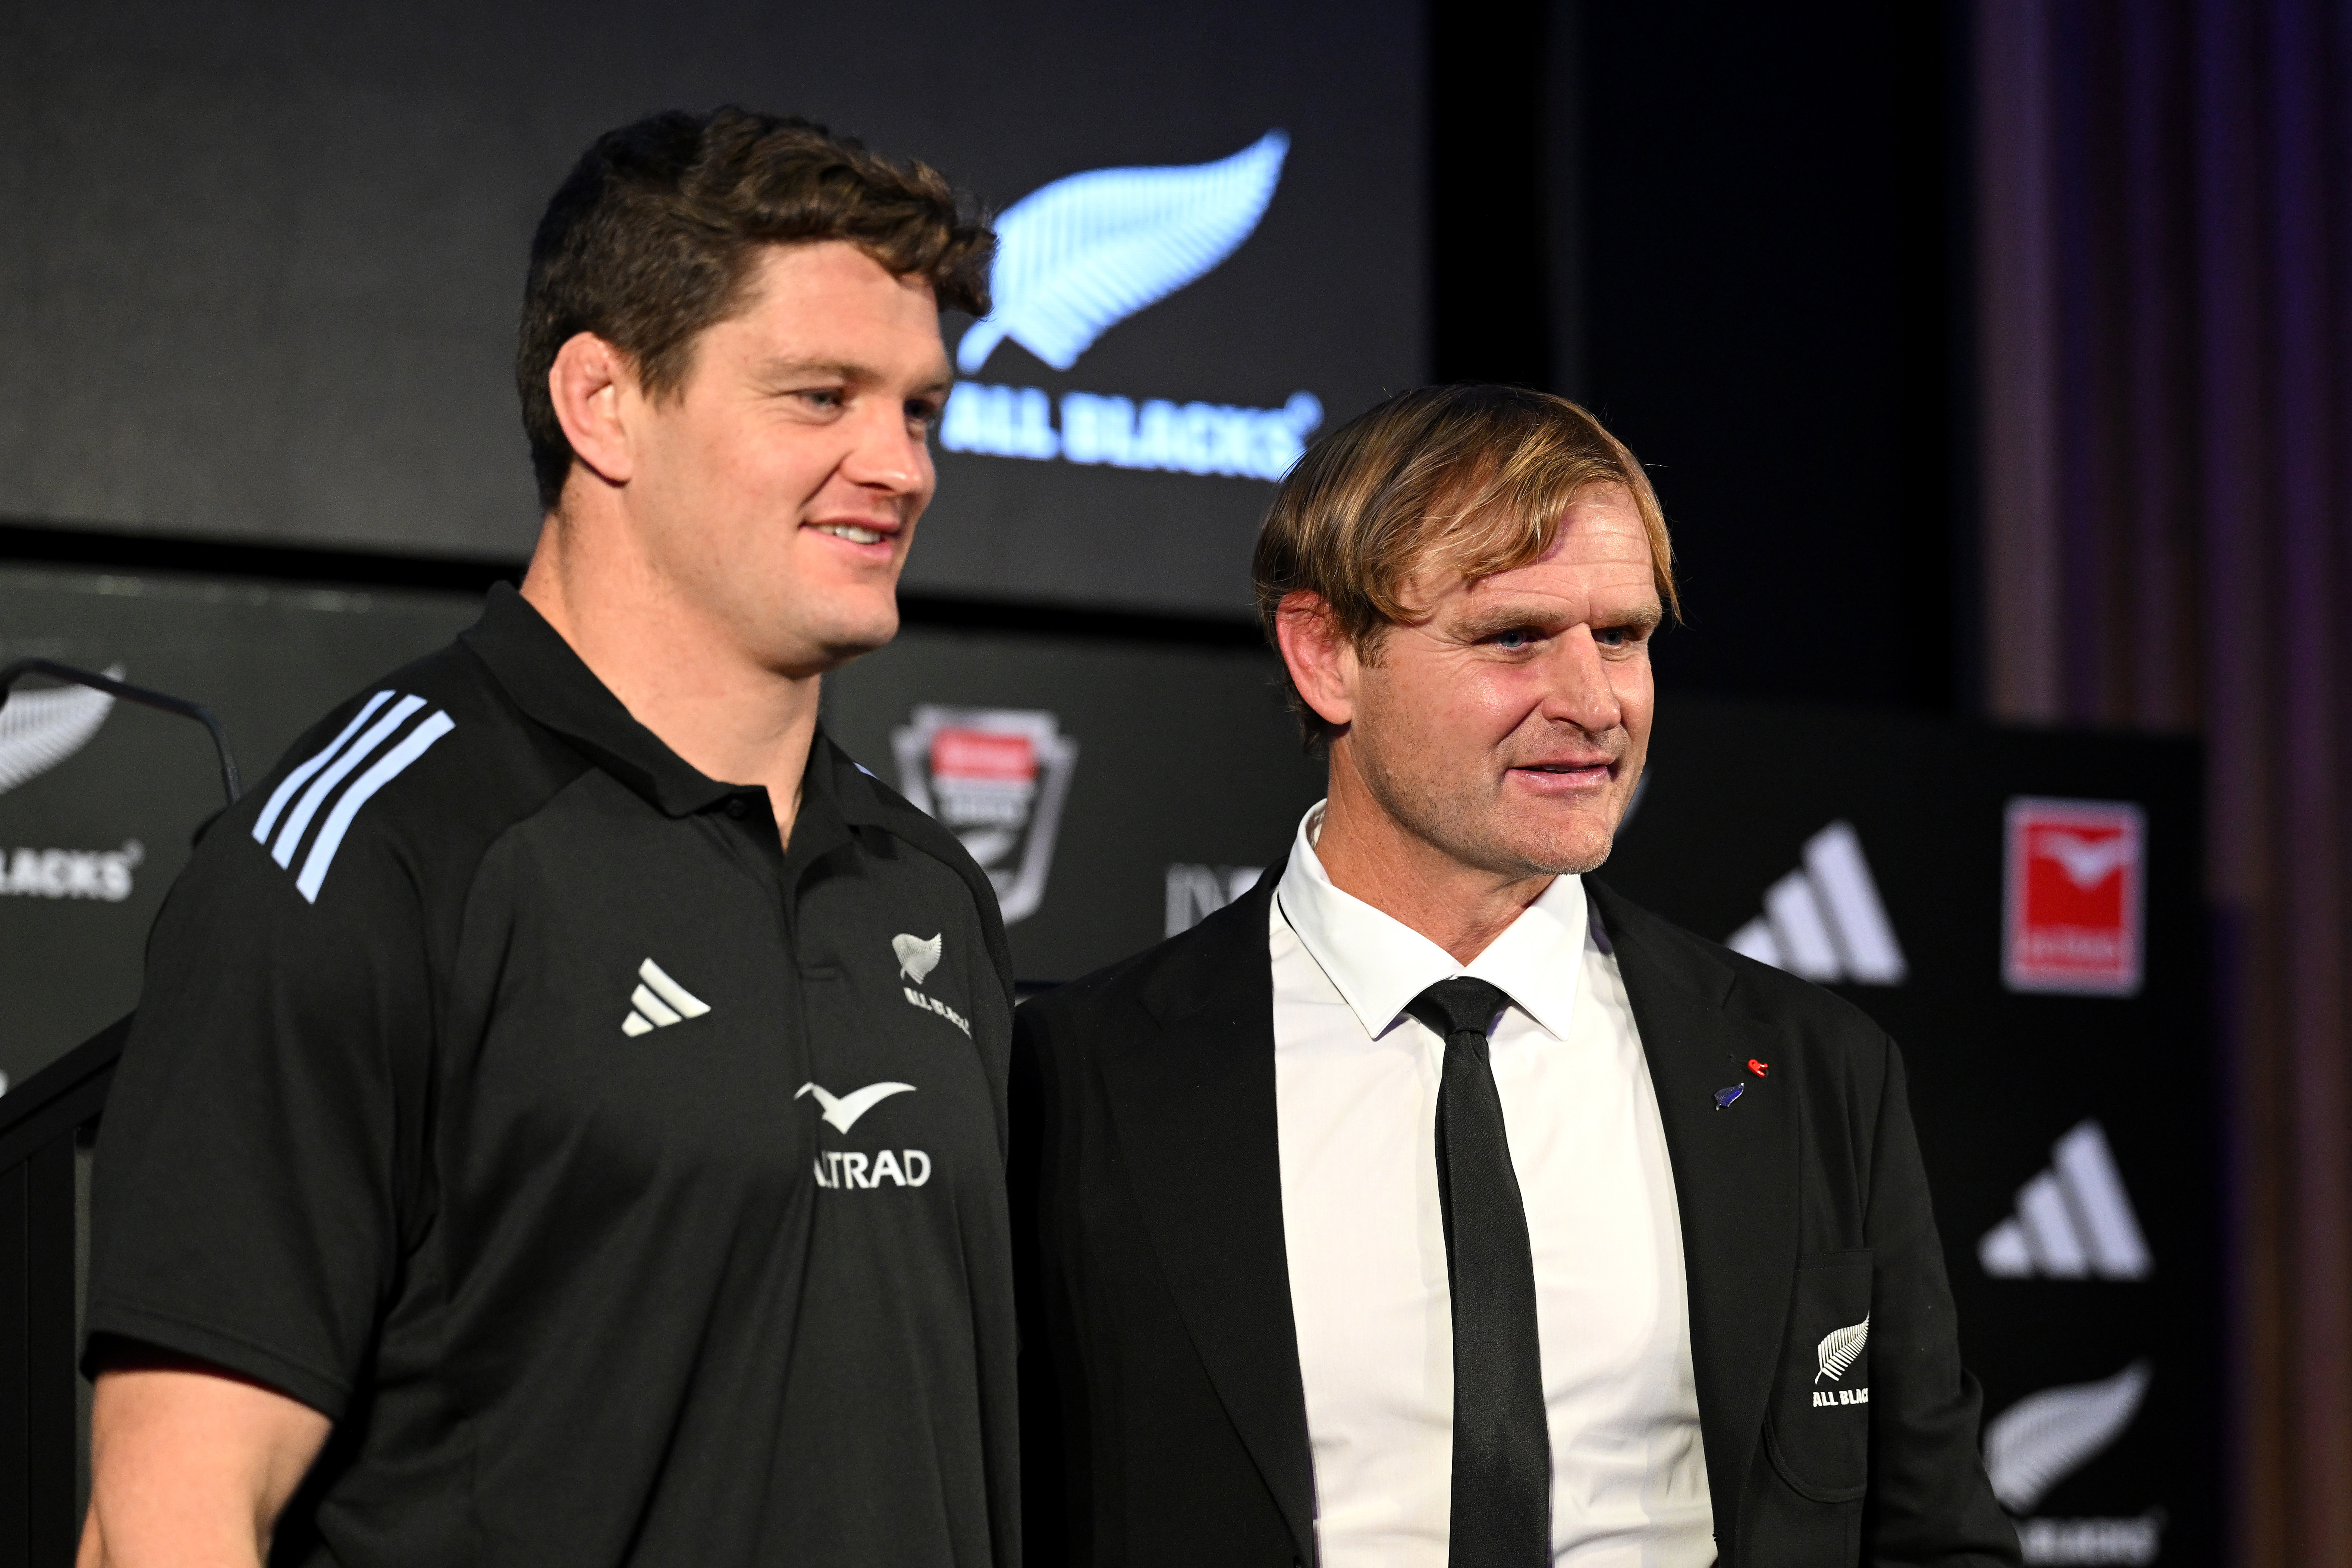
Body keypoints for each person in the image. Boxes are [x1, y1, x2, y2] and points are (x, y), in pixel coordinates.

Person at [79, 108, 1017, 1568]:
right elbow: (170, 1515)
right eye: (819, 395)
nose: (898, 466)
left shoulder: (928, 885)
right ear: (602, 401)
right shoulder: (370, 847)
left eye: (918, 410)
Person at [1011, 385, 2020, 1568]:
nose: (1593, 704)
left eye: (1624, 637)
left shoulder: (1806, 1066)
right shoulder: (1079, 1075)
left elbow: (1934, 1532)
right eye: (1513, 638)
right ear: (1326, 654)